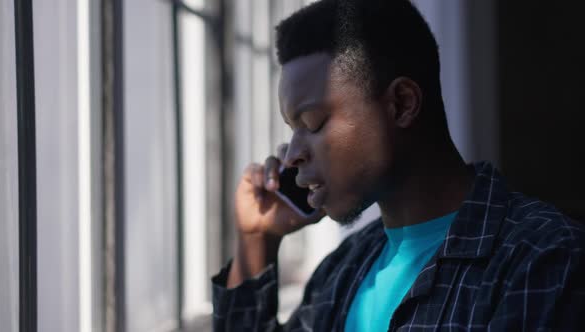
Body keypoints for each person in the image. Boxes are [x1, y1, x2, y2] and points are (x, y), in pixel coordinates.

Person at [211, 0, 585, 330]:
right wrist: (257, 240)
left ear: (402, 104)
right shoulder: (346, 267)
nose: (291, 154)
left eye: (312, 124)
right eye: (292, 130)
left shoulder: (545, 259)